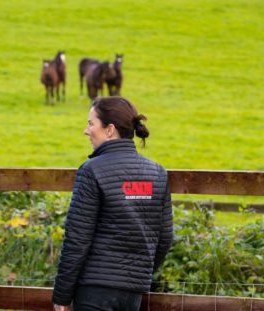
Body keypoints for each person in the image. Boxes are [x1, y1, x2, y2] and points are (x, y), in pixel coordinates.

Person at [52, 96, 173, 311]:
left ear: (109, 130)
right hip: (133, 293)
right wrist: (138, 274)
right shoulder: (157, 173)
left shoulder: (91, 170)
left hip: (94, 290)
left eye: (91, 123)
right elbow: (164, 238)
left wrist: (62, 296)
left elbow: (77, 239)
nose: (86, 130)